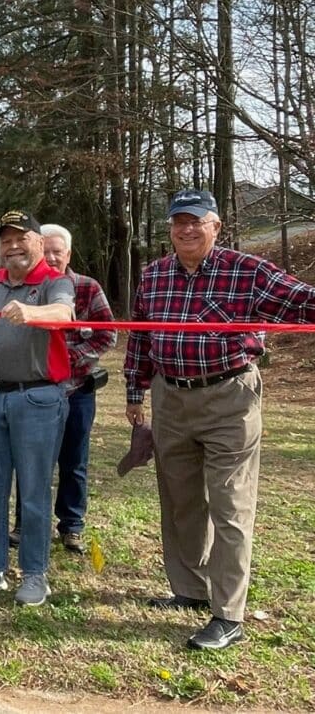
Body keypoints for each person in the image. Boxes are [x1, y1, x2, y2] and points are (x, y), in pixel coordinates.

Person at [125, 188, 315, 650]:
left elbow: (303, 302)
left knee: (229, 504)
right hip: (171, 398)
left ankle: (228, 614)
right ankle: (189, 589)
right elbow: (140, 338)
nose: (186, 229)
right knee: (181, 499)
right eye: (178, 222)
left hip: (230, 397)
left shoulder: (248, 272)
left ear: (216, 227)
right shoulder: (154, 275)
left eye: (196, 221)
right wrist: (136, 392)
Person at [0, 210, 73, 608]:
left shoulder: (55, 282)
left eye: (21, 238)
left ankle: (35, 574)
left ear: (39, 242)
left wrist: (32, 313)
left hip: (37, 398)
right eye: (6, 240)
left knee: (33, 491)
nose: (13, 246)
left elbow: (64, 314)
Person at [39, 223, 115, 553]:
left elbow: (107, 334)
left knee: (74, 461)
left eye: (58, 251)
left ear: (68, 254)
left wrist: (70, 358)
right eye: (45, 251)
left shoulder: (87, 287)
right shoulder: (29, 288)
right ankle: (26, 524)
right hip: (37, 390)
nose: (51, 257)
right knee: (33, 461)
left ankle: (71, 525)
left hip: (78, 389)